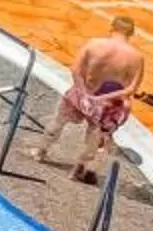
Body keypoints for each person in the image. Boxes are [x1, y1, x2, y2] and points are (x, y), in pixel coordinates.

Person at [38, 17, 146, 181]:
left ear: (112, 28)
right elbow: (130, 89)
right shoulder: (137, 57)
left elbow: (75, 70)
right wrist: (102, 98)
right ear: (131, 33)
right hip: (107, 103)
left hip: (82, 93)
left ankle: (41, 152)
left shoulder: (94, 44)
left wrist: (85, 94)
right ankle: (77, 170)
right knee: (94, 137)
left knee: (59, 121)